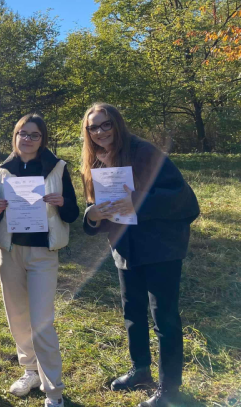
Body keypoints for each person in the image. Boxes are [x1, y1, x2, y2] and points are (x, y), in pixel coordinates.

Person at [80, 103, 199, 407]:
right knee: (133, 313)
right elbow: (102, 210)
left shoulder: (145, 152)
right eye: (93, 127)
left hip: (161, 248)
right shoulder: (96, 161)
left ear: (117, 124)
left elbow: (185, 201)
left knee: (165, 319)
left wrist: (137, 203)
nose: (100, 132)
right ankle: (140, 371)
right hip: (125, 248)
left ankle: (171, 390)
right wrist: (91, 216)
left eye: (106, 125)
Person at [0, 113, 79, 407]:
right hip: (10, 252)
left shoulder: (57, 168)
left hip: (43, 254)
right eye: (22, 133)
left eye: (34, 134)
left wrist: (62, 203)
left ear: (43, 139)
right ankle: (30, 371)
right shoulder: (2, 170)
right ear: (14, 136)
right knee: (17, 318)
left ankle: (53, 391)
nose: (27, 139)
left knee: (42, 321)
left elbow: (73, 214)